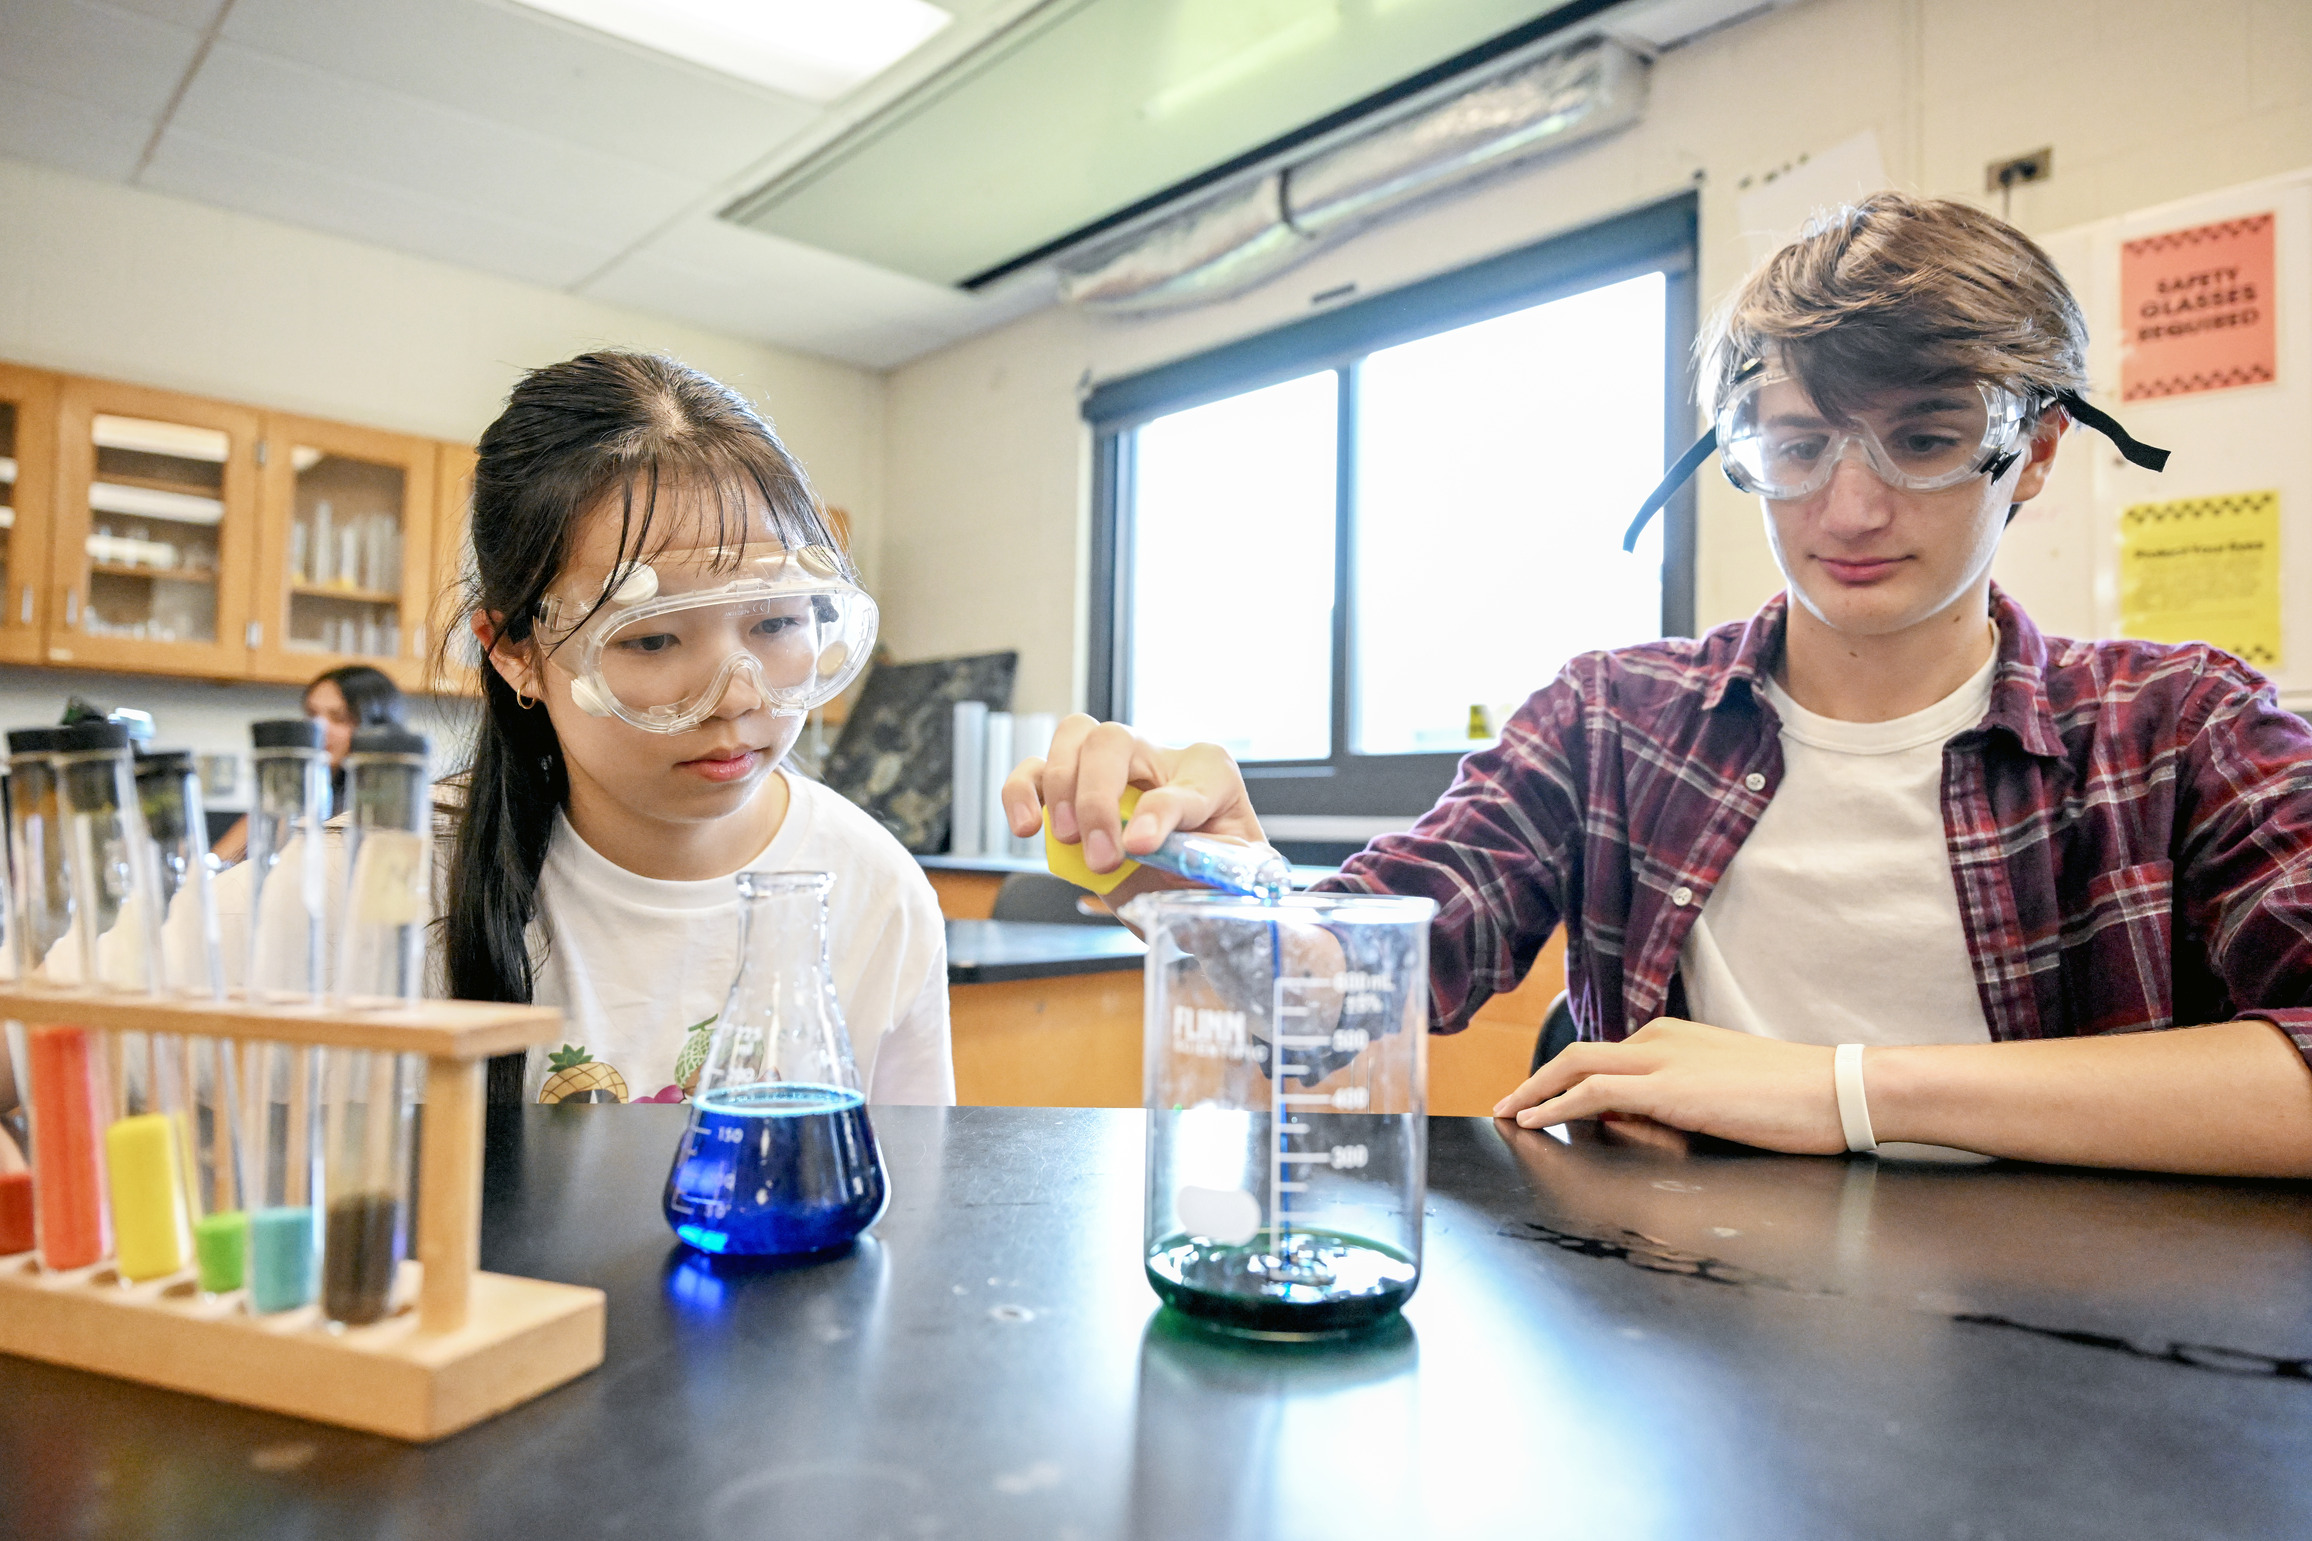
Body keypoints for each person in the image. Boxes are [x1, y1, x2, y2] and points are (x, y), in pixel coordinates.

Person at [1005, 193, 2312, 1178]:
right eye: (1795, 445)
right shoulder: (1613, 722)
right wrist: (1213, 874)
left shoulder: (2179, 730)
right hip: (1679, 1320)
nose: (1849, 506)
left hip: (2077, 1361)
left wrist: (1833, 1092)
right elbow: (1357, 979)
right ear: (1740, 453)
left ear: (2033, 454)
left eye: (1925, 438)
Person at [195, 351, 954, 1108]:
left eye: (778, 621)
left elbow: (916, 1197)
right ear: (515, 653)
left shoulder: (873, 890)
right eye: (652, 638)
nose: (734, 698)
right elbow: (83, 1010)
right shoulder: (372, 881)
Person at [211, 664, 405, 863]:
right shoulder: (290, 793)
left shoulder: (393, 808)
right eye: (312, 714)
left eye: (338, 718)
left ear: (377, 728)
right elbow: (217, 862)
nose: (317, 727)